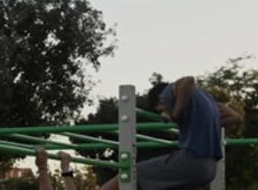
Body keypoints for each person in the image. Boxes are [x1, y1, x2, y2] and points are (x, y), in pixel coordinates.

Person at [99, 76, 243, 190]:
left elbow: (188, 80)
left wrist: (175, 112)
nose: (162, 113)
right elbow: (236, 117)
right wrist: (202, 122)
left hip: (191, 160)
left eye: (160, 109)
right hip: (209, 169)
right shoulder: (207, 99)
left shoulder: (168, 92)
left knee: (131, 173)